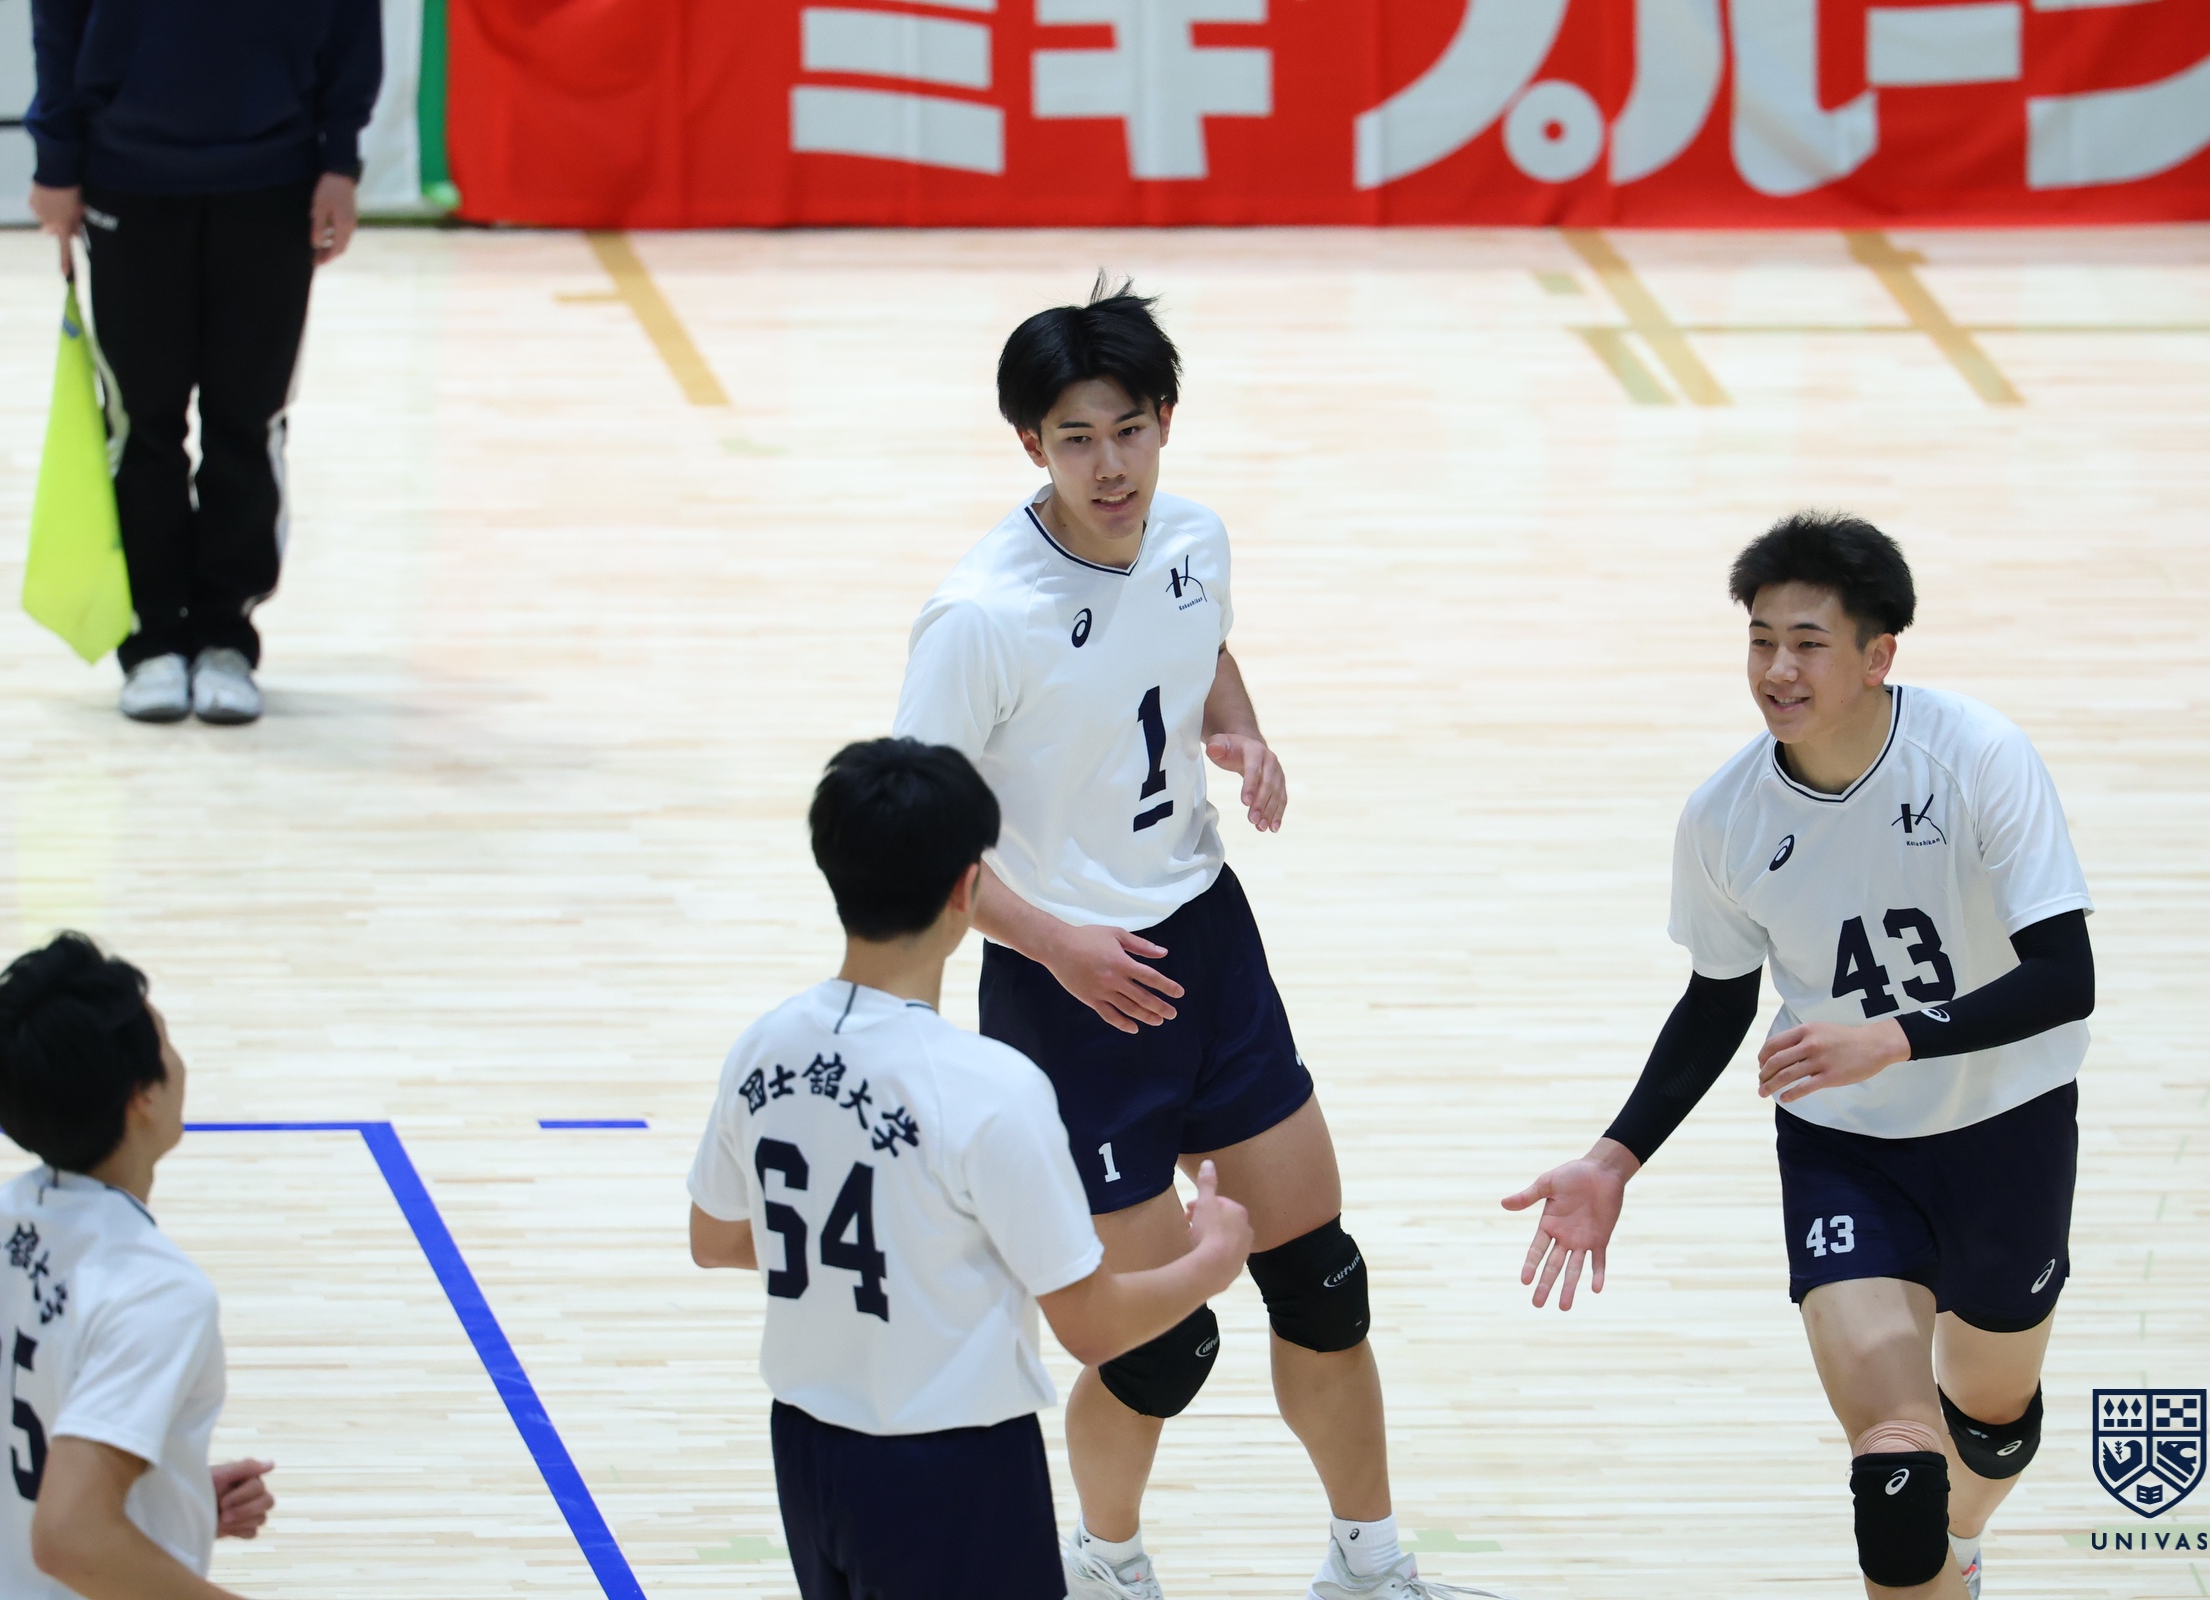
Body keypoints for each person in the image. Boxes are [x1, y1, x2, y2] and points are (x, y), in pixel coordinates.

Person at [892, 283, 1492, 1600]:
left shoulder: (1192, 537)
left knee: (1323, 1281)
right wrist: (1060, 947)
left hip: (1208, 945)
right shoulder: (981, 614)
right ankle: (1105, 1566)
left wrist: (1241, 730)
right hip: (1071, 995)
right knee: (1157, 1342)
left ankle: (1369, 1569)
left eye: (1128, 430)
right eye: (1075, 439)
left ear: (1166, 419)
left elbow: (1199, 644)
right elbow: (917, 848)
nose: (1109, 465)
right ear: (1031, 447)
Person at [1505, 513, 2095, 1600]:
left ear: (1878, 656)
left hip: (2008, 1125)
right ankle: (1932, 1542)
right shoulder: (1724, 817)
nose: (1778, 669)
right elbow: (1716, 1000)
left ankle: (1965, 1539)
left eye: (1809, 643)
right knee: (1896, 1484)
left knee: (1992, 1424)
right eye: (1761, 640)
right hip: (1845, 1150)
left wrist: (1894, 1037)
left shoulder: (1978, 757)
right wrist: (1613, 1156)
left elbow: (2067, 976)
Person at [686, 738, 1253, 1599]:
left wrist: (899, 1244)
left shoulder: (763, 1049)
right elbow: (1092, 1328)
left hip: (806, 1450)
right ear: (966, 889)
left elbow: (717, 1238)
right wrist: (1210, 1261)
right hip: (949, 1465)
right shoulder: (990, 1091)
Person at [24, 0, 383, 725]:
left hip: (273, 175)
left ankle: (225, 636)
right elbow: (58, 21)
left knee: (247, 420)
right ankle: (152, 639)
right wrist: (57, 160)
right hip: (129, 174)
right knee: (142, 423)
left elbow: (352, 19)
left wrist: (339, 159)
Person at [0, 933, 276, 1600]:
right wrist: (104, 1528)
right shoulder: (158, 1289)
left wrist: (168, 1505)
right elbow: (71, 1537)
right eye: (166, 1042)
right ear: (142, 1097)